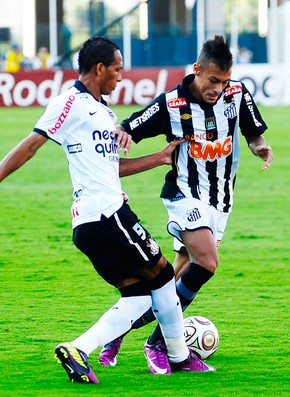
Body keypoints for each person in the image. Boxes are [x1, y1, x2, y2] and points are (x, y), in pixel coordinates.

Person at [0, 36, 216, 384]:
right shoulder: (69, 102)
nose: (121, 76)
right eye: (117, 69)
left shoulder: (103, 112)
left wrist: (159, 158)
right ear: (99, 68)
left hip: (92, 221)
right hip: (106, 213)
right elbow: (30, 145)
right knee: (162, 277)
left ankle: (79, 349)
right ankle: (177, 356)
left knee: (138, 293)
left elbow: (110, 167)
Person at [98, 35, 273, 366]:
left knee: (170, 285)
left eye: (223, 81)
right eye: (212, 81)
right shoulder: (173, 104)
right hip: (184, 193)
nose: (218, 89)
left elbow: (254, 134)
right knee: (207, 262)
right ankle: (158, 344)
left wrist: (259, 147)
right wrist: (122, 132)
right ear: (197, 70)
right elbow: (131, 124)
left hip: (220, 201)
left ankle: (116, 332)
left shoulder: (237, 94)